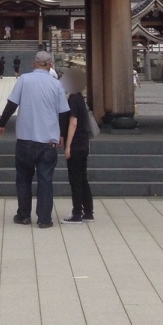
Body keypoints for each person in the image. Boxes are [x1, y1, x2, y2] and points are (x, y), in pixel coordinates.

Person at [0, 49, 70, 228]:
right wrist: (62, 134)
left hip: (25, 139)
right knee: (46, 180)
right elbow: (64, 112)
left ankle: (23, 215)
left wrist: (2, 123)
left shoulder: (24, 79)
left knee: (23, 178)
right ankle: (44, 219)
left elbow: (12, 103)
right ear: (50, 65)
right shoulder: (56, 84)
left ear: (34, 63)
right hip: (48, 141)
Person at [63, 66, 94, 223]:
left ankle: (77, 213)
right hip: (84, 143)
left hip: (75, 144)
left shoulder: (73, 100)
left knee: (75, 179)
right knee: (83, 178)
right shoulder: (81, 99)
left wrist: (67, 145)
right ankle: (88, 212)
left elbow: (73, 123)